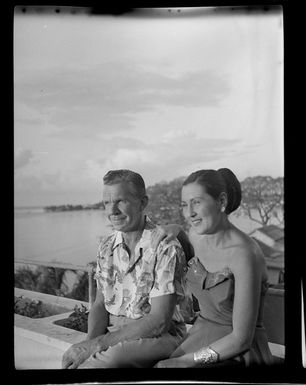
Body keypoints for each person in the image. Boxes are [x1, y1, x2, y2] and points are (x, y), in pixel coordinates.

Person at [62, 169, 193, 369]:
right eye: (107, 202)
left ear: (143, 202)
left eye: (120, 201)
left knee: (113, 360)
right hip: (116, 334)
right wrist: (88, 343)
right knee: (83, 360)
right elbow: (100, 304)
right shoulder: (106, 247)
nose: (111, 210)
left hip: (160, 335)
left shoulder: (165, 246)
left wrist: (97, 345)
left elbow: (159, 321)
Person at [152, 168, 274, 367]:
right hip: (201, 334)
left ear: (222, 202)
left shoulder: (244, 254)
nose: (189, 213)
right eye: (184, 205)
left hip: (235, 351)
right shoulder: (196, 234)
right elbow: (189, 243)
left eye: (197, 202)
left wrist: (187, 361)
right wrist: (176, 230)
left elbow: (241, 339)